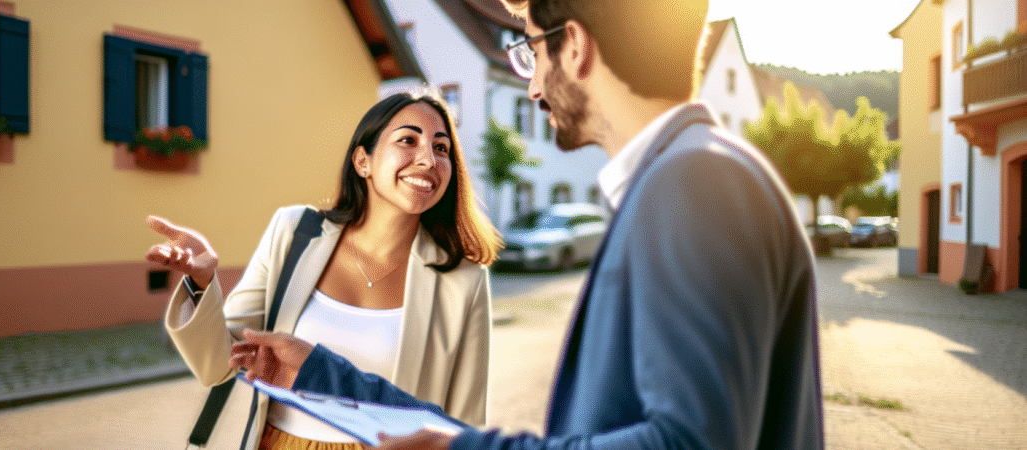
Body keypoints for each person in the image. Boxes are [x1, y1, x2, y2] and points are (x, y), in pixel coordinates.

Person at [231, 0, 826, 448]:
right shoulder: (686, 175)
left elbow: (690, 442)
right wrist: (320, 371)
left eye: (530, 52)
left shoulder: (693, 183)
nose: (532, 84)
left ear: (574, 47)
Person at [146, 90, 501, 449]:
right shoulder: (295, 232)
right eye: (408, 140)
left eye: (442, 148)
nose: (427, 158)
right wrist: (202, 282)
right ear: (363, 161)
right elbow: (219, 364)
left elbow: (465, 426)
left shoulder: (464, 281)